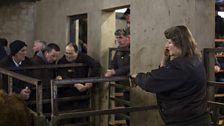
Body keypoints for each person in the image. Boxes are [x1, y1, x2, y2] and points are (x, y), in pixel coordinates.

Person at [130, 25, 211, 126]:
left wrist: (137, 77)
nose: (166, 46)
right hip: (196, 118)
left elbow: (152, 82)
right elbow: (164, 75)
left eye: (169, 42)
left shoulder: (181, 67)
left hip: (187, 122)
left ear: (180, 43)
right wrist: (165, 59)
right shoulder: (194, 60)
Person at [56, 42, 101, 125]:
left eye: (71, 53)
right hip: (66, 96)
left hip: (81, 96)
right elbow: (61, 76)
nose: (68, 56)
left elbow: (96, 65)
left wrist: (90, 80)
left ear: (77, 52)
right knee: (66, 121)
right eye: (66, 53)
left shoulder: (82, 57)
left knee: (81, 121)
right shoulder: (61, 61)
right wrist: (75, 84)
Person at [105, 28, 130, 126]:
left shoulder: (134, 48)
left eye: (121, 37)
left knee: (134, 109)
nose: (118, 40)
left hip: (134, 84)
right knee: (127, 109)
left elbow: (132, 66)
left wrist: (115, 71)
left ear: (129, 37)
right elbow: (113, 62)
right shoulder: (119, 49)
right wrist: (110, 69)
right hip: (125, 85)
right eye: (117, 38)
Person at [31, 43, 60, 113]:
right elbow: (39, 80)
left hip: (48, 95)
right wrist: (55, 81)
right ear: (46, 53)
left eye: (56, 57)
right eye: (53, 56)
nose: (55, 59)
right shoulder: (35, 62)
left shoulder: (51, 62)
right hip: (38, 97)